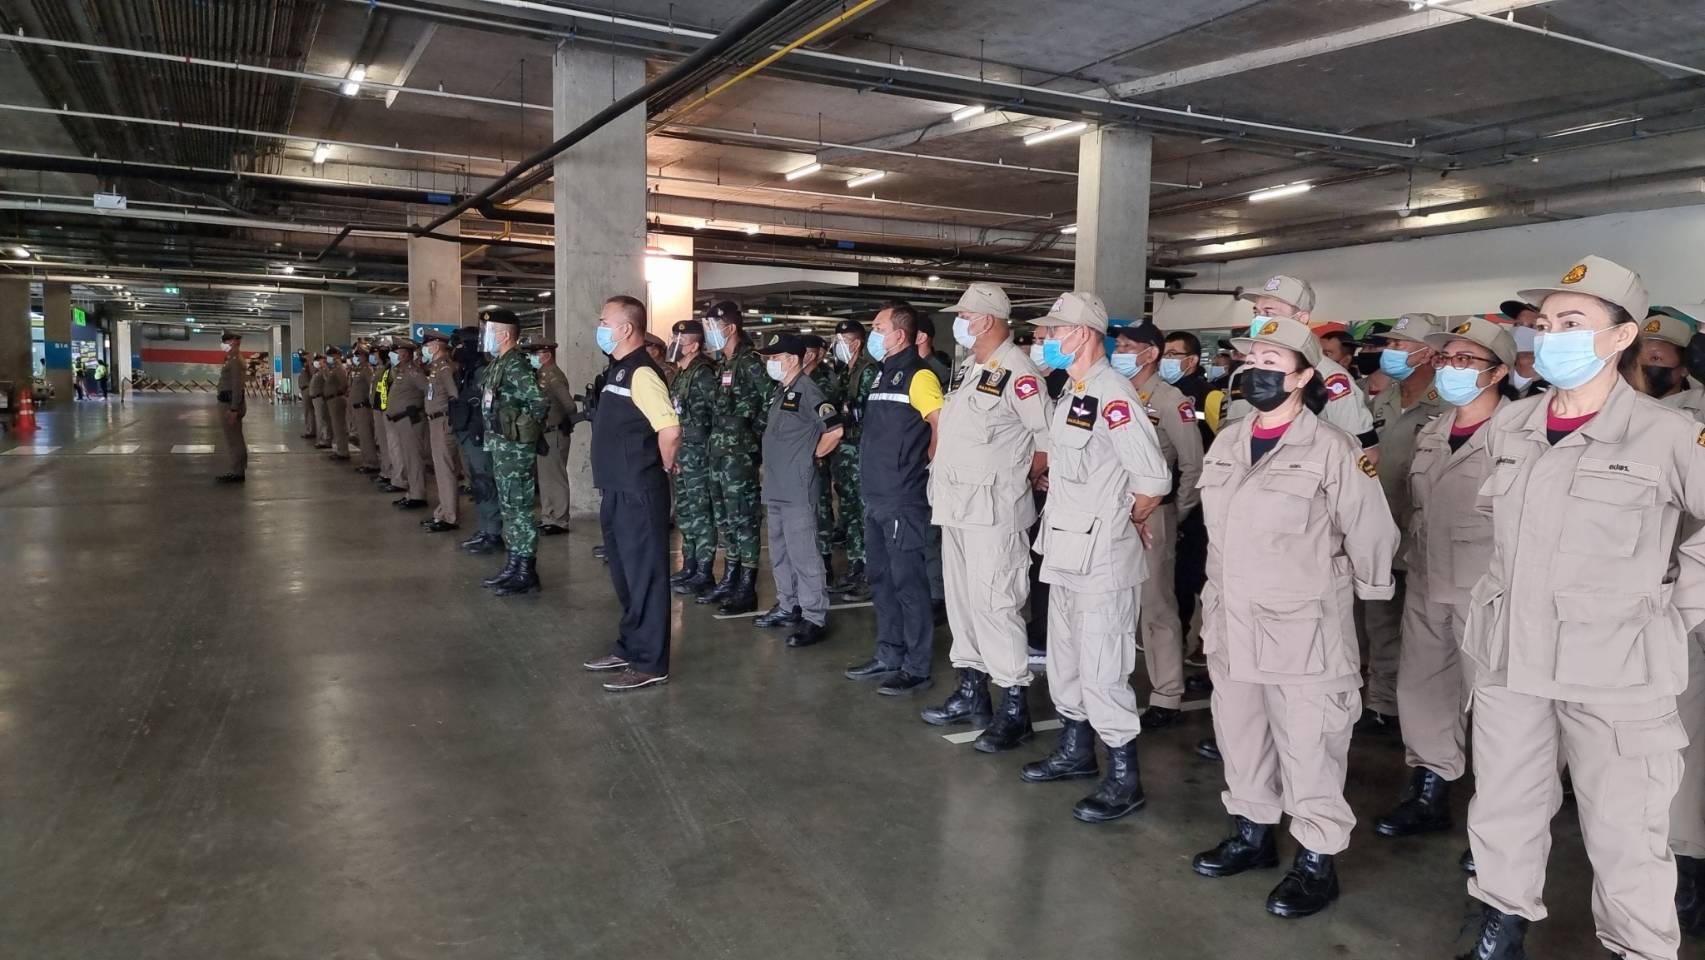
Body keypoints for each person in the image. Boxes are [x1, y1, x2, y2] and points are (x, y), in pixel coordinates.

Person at [1457, 256, 1705, 960]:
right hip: (1512, 657)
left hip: (1615, 670)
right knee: (1502, 807)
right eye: (1544, 324)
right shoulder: (1511, 426)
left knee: (1626, 831)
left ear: (1621, 337)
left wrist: (1677, 608)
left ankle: (1638, 948)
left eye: (1572, 322)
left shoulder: (1667, 434)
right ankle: (1502, 921)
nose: (1550, 336)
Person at [1188, 315, 1397, 919]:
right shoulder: (1229, 440)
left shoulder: (1334, 448)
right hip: (1231, 620)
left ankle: (1316, 858)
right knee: (1240, 733)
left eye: (1272, 363)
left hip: (1303, 628)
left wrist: (1364, 596)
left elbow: (1372, 531)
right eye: (1252, 361)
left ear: (1304, 376)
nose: (1257, 372)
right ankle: (1252, 832)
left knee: (1310, 745)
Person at [1016, 292, 1170, 823]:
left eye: (1053, 332)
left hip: (1102, 557)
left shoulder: (1113, 394)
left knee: (1103, 667)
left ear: (1081, 334)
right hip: (1063, 548)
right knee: (1066, 661)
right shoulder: (1073, 390)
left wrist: (1126, 520)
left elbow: (1153, 478)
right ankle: (1076, 749)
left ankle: (1124, 778)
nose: (1045, 340)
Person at [1371, 316, 1513, 843]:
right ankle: (1430, 788)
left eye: (1465, 360)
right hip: (1428, 579)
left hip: (1488, 590)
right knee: (1423, 689)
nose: (1451, 368)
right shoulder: (1434, 429)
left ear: (1497, 372)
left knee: (1498, 705)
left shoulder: (1520, 434)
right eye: (1447, 358)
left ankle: (1503, 820)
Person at [920, 282, 1052, 751]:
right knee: (962, 604)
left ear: (988, 320)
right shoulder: (970, 368)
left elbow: (1047, 440)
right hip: (956, 507)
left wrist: (1019, 479)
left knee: (996, 606)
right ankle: (972, 689)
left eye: (965, 316)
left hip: (994, 512)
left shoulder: (1020, 373)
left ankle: (1014, 707)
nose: (959, 323)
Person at [580, 296, 682, 691]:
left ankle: (650, 662)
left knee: (646, 577)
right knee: (626, 575)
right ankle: (629, 646)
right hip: (618, 489)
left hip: (639, 489)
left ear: (625, 329)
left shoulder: (641, 372)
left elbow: (669, 429)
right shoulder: (618, 370)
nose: (600, 327)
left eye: (604, 321)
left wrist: (663, 465)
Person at [843, 300, 943, 696]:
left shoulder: (920, 376)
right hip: (876, 494)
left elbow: (940, 424)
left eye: (878, 328)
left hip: (902, 497)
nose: (873, 334)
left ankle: (916, 667)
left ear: (900, 335)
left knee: (908, 583)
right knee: (881, 579)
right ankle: (889, 653)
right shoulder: (882, 374)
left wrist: (922, 466)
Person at [1111, 320, 1206, 729]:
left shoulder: (1170, 401)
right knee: (1112, 601)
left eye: (1127, 347)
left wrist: (1174, 512)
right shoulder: (1113, 393)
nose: (1119, 352)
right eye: (1119, 345)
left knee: (1155, 605)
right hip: (1111, 511)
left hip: (1153, 513)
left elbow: (1193, 466)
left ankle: (1167, 694)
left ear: (1150, 354)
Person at [1357, 313, 1447, 734]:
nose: (1388, 352)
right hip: (1379, 530)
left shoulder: (1446, 404)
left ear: (1427, 353)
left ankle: (1423, 716)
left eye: (1398, 345)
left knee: (1424, 632)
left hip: (1423, 536)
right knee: (1379, 624)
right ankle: (1382, 704)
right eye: (1388, 344)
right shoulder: (1382, 398)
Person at [752, 332, 844, 648]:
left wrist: (811, 456)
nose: (771, 363)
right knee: (780, 551)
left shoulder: (808, 390)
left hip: (797, 487)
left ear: (792, 359)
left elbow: (835, 430)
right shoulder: (783, 391)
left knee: (804, 554)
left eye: (775, 358)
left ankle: (813, 616)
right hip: (776, 485)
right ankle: (788, 604)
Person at [1226, 275, 1381, 460]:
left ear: (1301, 318)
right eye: (1256, 312)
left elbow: (1366, 454)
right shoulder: (1242, 373)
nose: (1260, 320)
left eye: (1269, 313)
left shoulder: (1331, 378)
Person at [697, 301, 769, 614]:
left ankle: (746, 588)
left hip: (739, 454)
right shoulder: (724, 363)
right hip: (719, 452)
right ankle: (730, 578)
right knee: (726, 519)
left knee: (744, 519)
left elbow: (772, 400)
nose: (708, 334)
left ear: (730, 328)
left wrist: (752, 434)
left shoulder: (750, 361)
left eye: (712, 327)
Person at [478, 310, 548, 596]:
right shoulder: (499, 363)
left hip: (515, 450)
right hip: (501, 446)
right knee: (509, 507)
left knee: (520, 508)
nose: (487, 337)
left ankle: (526, 571)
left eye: (491, 332)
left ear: (505, 335)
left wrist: (521, 430)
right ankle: (514, 564)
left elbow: (539, 401)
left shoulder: (516, 365)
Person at [669, 319, 721, 595]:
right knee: (686, 511)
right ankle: (689, 564)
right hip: (683, 451)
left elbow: (717, 414)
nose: (674, 345)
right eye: (674, 340)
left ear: (694, 346)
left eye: (680, 342)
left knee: (702, 513)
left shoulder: (704, 374)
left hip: (699, 453)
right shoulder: (682, 373)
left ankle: (704, 571)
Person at [829, 319, 878, 601]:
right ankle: (857, 565)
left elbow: (872, 415)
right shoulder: (846, 373)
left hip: (860, 451)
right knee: (849, 513)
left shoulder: (868, 371)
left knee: (863, 513)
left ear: (856, 343)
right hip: (844, 453)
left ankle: (871, 571)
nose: (837, 347)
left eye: (841, 342)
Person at [448, 327, 504, 555]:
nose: (456, 350)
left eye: (460, 345)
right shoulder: (467, 371)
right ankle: (484, 529)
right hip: (469, 434)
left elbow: (492, 406)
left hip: (480, 435)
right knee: (478, 485)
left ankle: (493, 533)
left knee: (485, 483)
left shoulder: (483, 372)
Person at [803, 334, 843, 582]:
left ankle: (824, 561)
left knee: (820, 507)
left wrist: (817, 451)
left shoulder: (823, 381)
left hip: (818, 453)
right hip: (798, 455)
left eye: (810, 351)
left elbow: (831, 425)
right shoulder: (794, 381)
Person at [527, 339, 577, 536]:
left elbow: (570, 405)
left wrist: (560, 419)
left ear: (546, 355)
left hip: (554, 432)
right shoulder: (541, 375)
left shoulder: (552, 376)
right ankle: (549, 516)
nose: (533, 358)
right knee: (546, 477)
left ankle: (560, 519)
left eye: (536, 354)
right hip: (544, 433)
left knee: (556, 477)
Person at [418, 331, 460, 533]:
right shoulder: (435, 367)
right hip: (435, 422)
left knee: (445, 470)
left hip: (443, 422)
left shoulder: (444, 368)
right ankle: (443, 511)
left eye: (426, 346)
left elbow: (455, 396)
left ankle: (450, 516)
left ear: (435, 347)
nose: (424, 350)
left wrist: (449, 419)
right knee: (441, 470)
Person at [384, 340, 429, 510]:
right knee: (408, 458)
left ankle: (418, 495)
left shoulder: (413, 371)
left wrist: (420, 407)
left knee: (414, 458)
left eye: (396, 353)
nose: (393, 356)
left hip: (410, 420)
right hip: (401, 421)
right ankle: (412, 492)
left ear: (404, 355)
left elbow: (428, 389)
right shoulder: (400, 371)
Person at [1640, 310, 1695, 402]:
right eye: (1636, 356)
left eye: (1655, 358)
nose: (1640, 364)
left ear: (1685, 368)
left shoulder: (1698, 408)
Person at [214, 331, 247, 483]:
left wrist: (233, 408)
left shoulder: (235, 359)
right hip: (228, 403)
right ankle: (237, 469)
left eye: (225, 341)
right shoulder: (232, 358)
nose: (223, 344)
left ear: (233, 342)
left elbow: (236, 385)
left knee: (234, 439)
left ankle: (237, 471)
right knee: (234, 438)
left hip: (229, 404)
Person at [349, 345, 380, 474]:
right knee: (362, 436)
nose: (357, 358)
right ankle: (367, 461)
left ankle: (371, 463)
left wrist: (369, 401)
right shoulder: (359, 369)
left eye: (359, 355)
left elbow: (372, 387)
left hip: (363, 407)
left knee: (366, 436)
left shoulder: (367, 370)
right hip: (357, 408)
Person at [321, 346, 350, 461]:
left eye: (331, 355)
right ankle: (339, 449)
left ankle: (343, 452)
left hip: (336, 399)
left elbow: (344, 383)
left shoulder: (339, 368)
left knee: (339, 426)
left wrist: (337, 392)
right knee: (336, 426)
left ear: (337, 355)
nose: (329, 357)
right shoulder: (333, 368)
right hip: (331, 400)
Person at [1508, 325, 1548, 398]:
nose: (1521, 329)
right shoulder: (1500, 372)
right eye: (1518, 324)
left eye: (1531, 326)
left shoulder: (1551, 383)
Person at [307, 353, 329, 449]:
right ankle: (321, 439)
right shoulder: (318, 372)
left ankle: (325, 440)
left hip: (320, 398)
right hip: (315, 399)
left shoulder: (324, 371)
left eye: (318, 360)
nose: (316, 362)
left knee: (322, 420)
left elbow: (328, 383)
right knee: (319, 420)